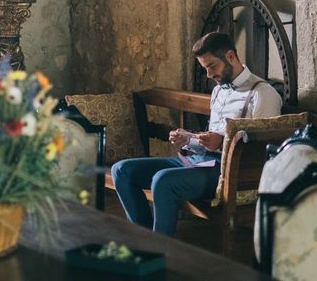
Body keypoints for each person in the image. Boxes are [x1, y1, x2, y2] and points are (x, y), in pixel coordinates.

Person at [111, 32, 282, 236]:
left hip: (227, 171)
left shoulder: (262, 93)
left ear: (230, 57)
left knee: (163, 180)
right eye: (205, 69)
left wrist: (220, 144)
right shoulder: (218, 91)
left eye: (211, 66)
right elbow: (212, 137)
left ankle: (160, 249)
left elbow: (261, 149)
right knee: (121, 170)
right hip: (200, 160)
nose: (209, 75)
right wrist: (189, 140)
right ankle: (144, 239)